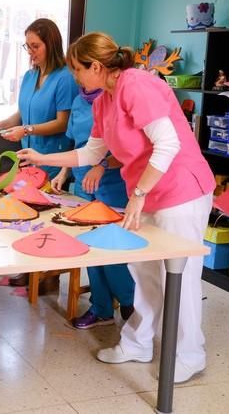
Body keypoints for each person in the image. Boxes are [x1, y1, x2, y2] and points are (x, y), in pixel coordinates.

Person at [17, 32, 215, 384]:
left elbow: (167, 144)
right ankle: (139, 343)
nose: (74, 76)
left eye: (78, 69)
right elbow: (91, 152)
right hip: (148, 194)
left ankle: (189, 353)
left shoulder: (137, 86)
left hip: (181, 191)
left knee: (178, 277)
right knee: (146, 273)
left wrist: (138, 194)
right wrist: (42, 156)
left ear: (96, 66)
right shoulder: (104, 100)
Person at [0, 18, 78, 289]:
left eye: (35, 46)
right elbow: (22, 112)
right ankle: (28, 269)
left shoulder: (65, 79)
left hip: (53, 157)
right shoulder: (30, 76)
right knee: (25, 216)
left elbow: (63, 122)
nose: (31, 52)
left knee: (48, 220)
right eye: (27, 46)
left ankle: (47, 279)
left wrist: (26, 130)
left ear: (51, 44)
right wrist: (1, 124)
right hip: (28, 158)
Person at [51, 88, 135, 329]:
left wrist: (102, 164)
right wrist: (63, 172)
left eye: (79, 70)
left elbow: (129, 148)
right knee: (91, 249)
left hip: (113, 183)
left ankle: (130, 301)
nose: (75, 78)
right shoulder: (78, 100)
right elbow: (76, 144)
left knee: (110, 251)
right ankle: (101, 309)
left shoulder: (116, 99)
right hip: (82, 182)